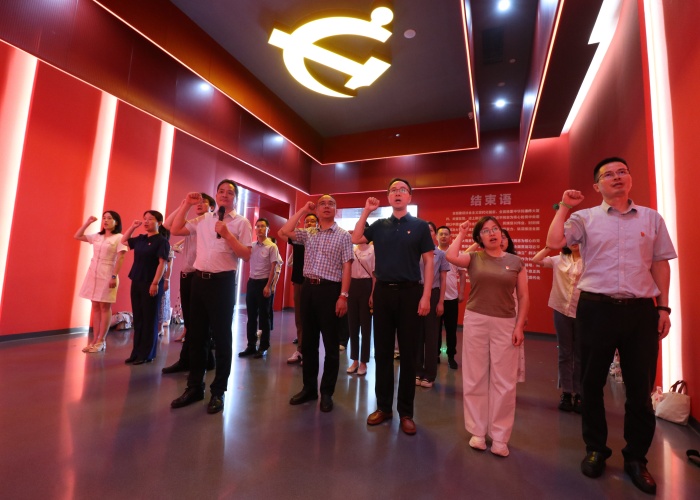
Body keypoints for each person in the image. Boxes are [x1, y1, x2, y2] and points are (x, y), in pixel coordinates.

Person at [545, 157, 676, 494]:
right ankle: (595, 449)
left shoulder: (651, 218)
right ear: (596, 186)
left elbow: (660, 264)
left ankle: (636, 458)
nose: (617, 177)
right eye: (608, 174)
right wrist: (564, 206)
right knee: (591, 384)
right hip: (595, 309)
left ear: (629, 179)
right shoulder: (585, 218)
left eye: (622, 172)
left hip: (640, 312)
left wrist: (663, 308)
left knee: (640, 390)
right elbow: (555, 242)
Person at [352, 178, 434, 436]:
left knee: (408, 354)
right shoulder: (379, 226)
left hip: (411, 293)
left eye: (403, 190)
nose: (398, 193)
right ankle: (384, 407)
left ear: (409, 197)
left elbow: (429, 262)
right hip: (384, 292)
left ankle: (406, 412)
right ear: (388, 197)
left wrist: (426, 296)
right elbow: (356, 237)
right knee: (383, 352)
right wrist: (367, 211)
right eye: (393, 190)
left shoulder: (420, 227)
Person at [446, 216, 529, 457]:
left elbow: (523, 296)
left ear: (501, 234)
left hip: (505, 322)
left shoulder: (515, 262)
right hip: (476, 320)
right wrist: (461, 234)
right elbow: (451, 256)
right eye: (485, 231)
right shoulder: (474, 258)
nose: (492, 233)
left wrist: (519, 326)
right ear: (479, 238)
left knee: (504, 381)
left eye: (495, 229)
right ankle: (478, 432)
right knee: (475, 376)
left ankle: (500, 437)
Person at [170, 180, 252, 415]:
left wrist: (227, 235)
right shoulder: (204, 219)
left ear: (235, 198)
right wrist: (186, 204)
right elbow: (175, 229)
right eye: (221, 191)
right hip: (199, 281)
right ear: (216, 195)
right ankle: (195, 387)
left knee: (222, 338)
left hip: (222, 283)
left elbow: (246, 254)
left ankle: (218, 391)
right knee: (196, 336)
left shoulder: (241, 222)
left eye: (230, 192)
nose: (225, 195)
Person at [279, 195, 352, 413]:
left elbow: (347, 266)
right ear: (317, 210)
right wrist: (303, 209)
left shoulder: (343, 235)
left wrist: (343, 296)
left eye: (331, 204)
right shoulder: (308, 233)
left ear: (336, 210)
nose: (327, 207)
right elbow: (284, 231)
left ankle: (327, 392)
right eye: (322, 204)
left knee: (331, 345)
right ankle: (309, 388)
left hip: (331, 290)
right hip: (308, 289)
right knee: (309, 343)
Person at [161, 193, 217, 374]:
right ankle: (202, 360)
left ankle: (196, 360)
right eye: (197, 202)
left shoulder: (209, 221)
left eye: (204, 202)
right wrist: (184, 204)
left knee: (198, 322)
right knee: (190, 323)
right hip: (187, 274)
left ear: (211, 207)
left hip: (199, 274)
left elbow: (174, 229)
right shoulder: (192, 222)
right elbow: (168, 225)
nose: (199, 204)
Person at [531, 243, 583, 413]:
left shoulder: (590, 259)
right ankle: (566, 392)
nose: (574, 242)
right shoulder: (559, 259)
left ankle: (580, 393)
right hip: (561, 309)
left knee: (580, 353)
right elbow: (536, 260)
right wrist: (550, 246)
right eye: (571, 239)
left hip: (583, 311)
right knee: (564, 352)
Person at [121, 211, 170, 365]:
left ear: (159, 223)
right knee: (139, 318)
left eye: (150, 219)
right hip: (137, 280)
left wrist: (155, 283)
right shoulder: (141, 239)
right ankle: (136, 352)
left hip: (151, 282)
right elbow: (124, 241)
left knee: (149, 319)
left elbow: (162, 263)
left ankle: (147, 354)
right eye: (145, 219)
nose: (146, 222)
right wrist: (133, 227)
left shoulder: (161, 241)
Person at [74, 211, 127, 353]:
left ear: (116, 221)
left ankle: (101, 340)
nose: (106, 220)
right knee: (95, 306)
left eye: (109, 218)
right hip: (93, 273)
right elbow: (77, 236)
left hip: (108, 273)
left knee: (104, 307)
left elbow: (121, 258)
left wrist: (114, 276)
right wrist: (88, 222)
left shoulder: (119, 237)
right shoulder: (97, 236)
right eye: (104, 218)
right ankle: (94, 340)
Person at [239, 218, 282, 359]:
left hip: (264, 283)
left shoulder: (272, 246)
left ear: (268, 229)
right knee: (251, 316)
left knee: (264, 316)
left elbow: (273, 268)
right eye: (257, 226)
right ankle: (251, 345)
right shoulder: (252, 246)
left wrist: (268, 285)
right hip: (252, 282)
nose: (259, 228)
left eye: (263, 226)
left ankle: (263, 346)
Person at [415, 222, 449, 388]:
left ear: (434, 234)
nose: (427, 233)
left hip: (434, 294)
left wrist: (441, 301)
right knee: (416, 335)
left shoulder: (440, 254)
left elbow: (443, 279)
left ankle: (429, 374)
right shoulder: (415, 252)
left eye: (430, 230)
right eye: (425, 230)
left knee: (431, 335)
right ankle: (417, 371)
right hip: (416, 293)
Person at [286, 213, 318, 364]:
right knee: (299, 318)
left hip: (314, 282)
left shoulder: (319, 240)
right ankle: (300, 350)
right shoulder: (298, 238)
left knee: (312, 318)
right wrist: (299, 215)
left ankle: (310, 352)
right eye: (307, 221)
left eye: (313, 221)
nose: (309, 223)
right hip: (298, 281)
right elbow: (285, 231)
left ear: (317, 224)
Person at [346, 226, 375, 376]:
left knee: (365, 326)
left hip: (367, 285)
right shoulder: (352, 249)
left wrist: (373, 294)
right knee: (352, 325)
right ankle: (354, 360)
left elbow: (375, 274)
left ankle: (364, 362)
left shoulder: (373, 250)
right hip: (353, 286)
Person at [436, 225, 466, 370]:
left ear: (450, 237)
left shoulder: (456, 253)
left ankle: (451, 356)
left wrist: (461, 292)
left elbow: (462, 274)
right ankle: (435, 354)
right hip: (436, 297)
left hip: (452, 298)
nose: (443, 236)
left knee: (451, 329)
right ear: (437, 237)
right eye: (441, 234)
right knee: (435, 329)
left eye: (446, 234)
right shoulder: (433, 253)